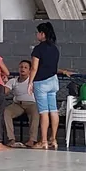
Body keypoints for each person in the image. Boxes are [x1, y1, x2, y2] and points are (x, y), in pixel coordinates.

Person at [28, 22, 61, 150]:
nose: (37, 35)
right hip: (53, 81)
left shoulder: (38, 49)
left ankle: (44, 141)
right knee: (53, 110)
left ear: (43, 34)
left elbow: (34, 68)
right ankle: (54, 139)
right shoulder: (55, 49)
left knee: (43, 112)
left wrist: (30, 82)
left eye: (38, 32)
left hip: (41, 83)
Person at [4, 60, 39, 148]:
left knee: (35, 113)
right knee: (6, 112)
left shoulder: (33, 80)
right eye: (21, 67)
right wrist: (2, 82)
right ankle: (11, 139)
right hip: (18, 104)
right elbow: (5, 91)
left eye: (25, 67)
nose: (22, 69)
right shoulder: (13, 81)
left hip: (32, 104)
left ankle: (32, 140)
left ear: (30, 70)